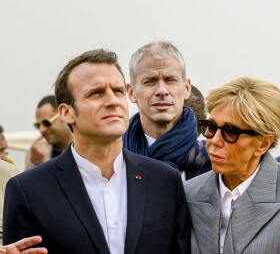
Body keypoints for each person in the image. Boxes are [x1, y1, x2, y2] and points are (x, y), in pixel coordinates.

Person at [3, 49, 190, 254]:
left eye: (118, 91)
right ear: (67, 113)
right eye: (96, 93)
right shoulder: (29, 191)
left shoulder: (164, 181)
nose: (113, 101)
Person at [184, 77, 280, 254]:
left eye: (230, 132)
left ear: (263, 144)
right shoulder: (189, 192)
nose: (214, 141)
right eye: (211, 127)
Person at [123, 41, 211, 180]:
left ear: (187, 88)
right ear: (131, 92)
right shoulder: (112, 161)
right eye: (150, 81)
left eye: (170, 80)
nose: (162, 91)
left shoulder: (217, 162)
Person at [25, 95, 73, 170]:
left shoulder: (87, 145)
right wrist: (34, 163)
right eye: (38, 125)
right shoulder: (35, 152)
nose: (42, 130)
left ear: (64, 114)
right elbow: (26, 181)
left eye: (46, 122)